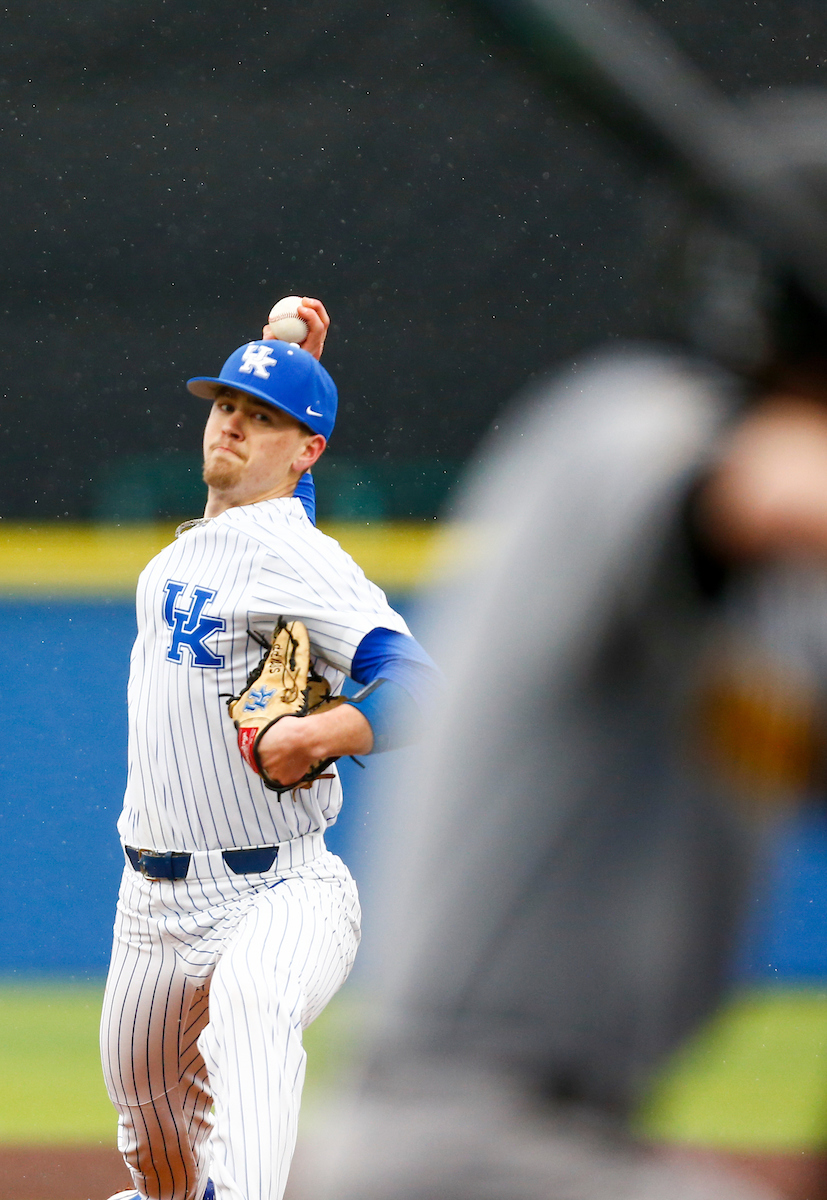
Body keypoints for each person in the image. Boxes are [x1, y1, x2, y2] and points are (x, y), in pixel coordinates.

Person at [100, 297, 440, 1200]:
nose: (234, 427)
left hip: (279, 888)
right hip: (150, 908)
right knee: (157, 1148)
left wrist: (324, 730)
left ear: (307, 451)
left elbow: (422, 686)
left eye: (264, 419)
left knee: (252, 1017)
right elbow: (276, 517)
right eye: (228, 408)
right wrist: (285, 366)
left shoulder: (298, 556)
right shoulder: (194, 552)